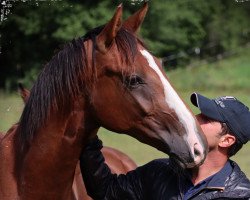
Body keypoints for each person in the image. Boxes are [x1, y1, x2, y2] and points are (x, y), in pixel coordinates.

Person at [80, 93, 250, 200]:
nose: (196, 118)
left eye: (207, 118)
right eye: (200, 113)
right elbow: (106, 191)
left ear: (226, 141)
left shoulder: (240, 195)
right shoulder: (160, 171)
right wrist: (88, 139)